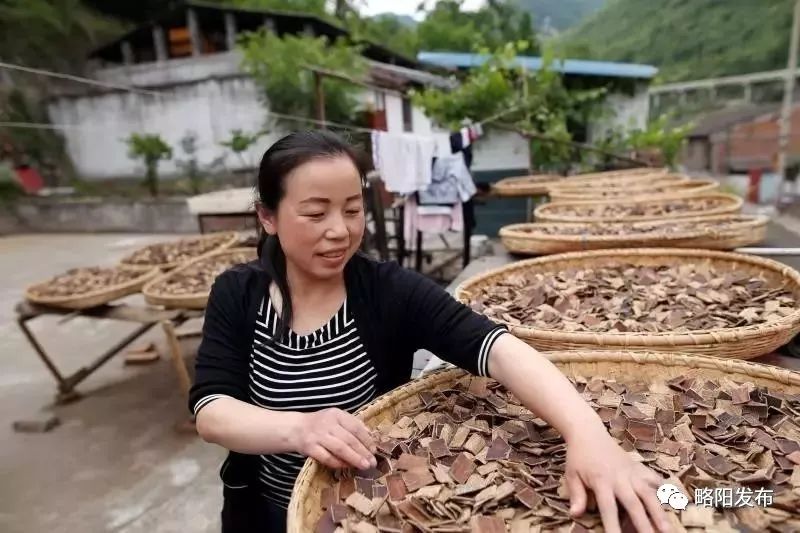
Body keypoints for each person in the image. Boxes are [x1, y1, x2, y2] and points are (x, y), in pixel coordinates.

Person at [190, 130, 671, 533]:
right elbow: (212, 410)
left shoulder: (388, 290)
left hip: (369, 511)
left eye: (353, 209)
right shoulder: (239, 294)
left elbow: (497, 348)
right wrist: (300, 428)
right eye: (316, 213)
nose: (339, 230)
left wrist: (587, 434)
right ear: (268, 217)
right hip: (269, 511)